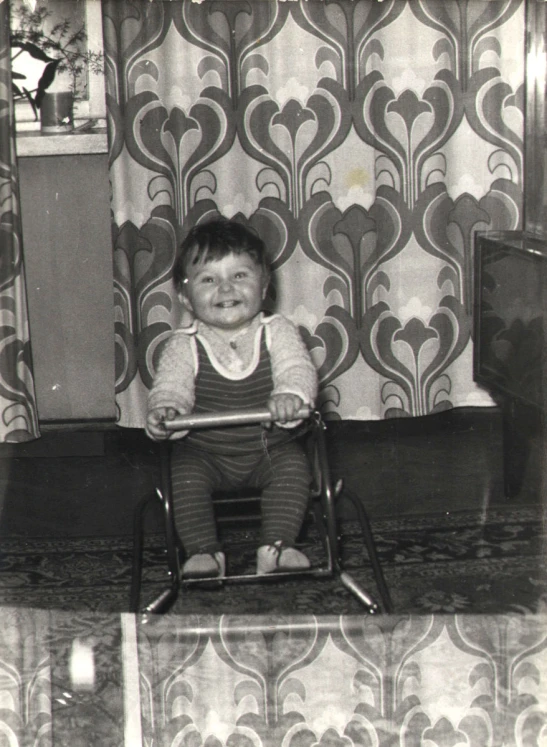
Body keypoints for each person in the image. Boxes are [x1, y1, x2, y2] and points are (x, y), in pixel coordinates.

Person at [146, 218, 318, 579]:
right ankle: (204, 553)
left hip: (269, 447)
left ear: (265, 284)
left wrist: (291, 394)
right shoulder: (184, 344)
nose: (226, 288)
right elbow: (171, 386)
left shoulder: (278, 331)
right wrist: (167, 410)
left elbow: (297, 369)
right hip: (205, 453)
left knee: (293, 467)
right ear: (184, 296)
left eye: (240, 275)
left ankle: (277, 547)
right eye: (208, 279)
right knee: (184, 476)